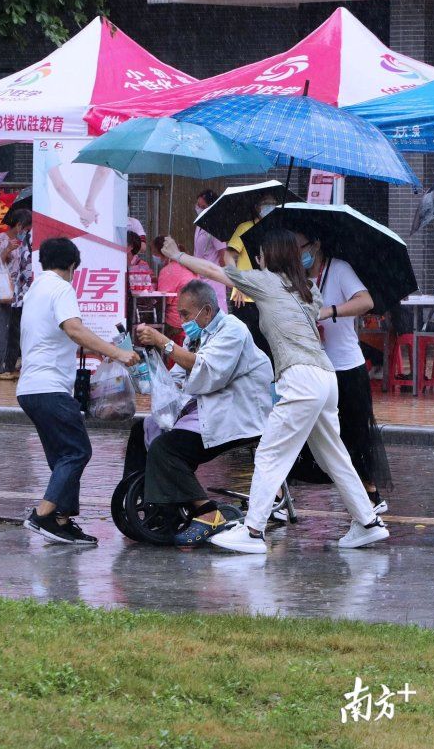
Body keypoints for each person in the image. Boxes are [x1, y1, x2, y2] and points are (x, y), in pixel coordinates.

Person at [160, 229, 389, 554]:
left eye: (262, 253)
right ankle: (368, 523)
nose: (258, 258)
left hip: (300, 379)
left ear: (273, 257)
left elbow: (216, 272)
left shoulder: (268, 282)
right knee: (334, 456)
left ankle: (252, 531)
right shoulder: (308, 289)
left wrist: (177, 254)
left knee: (269, 453)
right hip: (325, 378)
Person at [18, 237, 139, 545]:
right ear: (72, 266)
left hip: (31, 389)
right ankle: (42, 515)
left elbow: (69, 332)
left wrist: (105, 350)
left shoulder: (35, 289)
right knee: (77, 451)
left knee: (63, 456)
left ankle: (62, 520)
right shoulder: (61, 288)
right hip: (49, 388)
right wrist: (118, 352)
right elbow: (74, 329)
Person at [135, 279, 273, 546]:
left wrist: (165, 344)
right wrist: (152, 371)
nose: (182, 319)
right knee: (143, 430)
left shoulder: (233, 330)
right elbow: (179, 375)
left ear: (207, 311)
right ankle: (151, 499)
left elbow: (208, 371)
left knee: (167, 449)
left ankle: (207, 512)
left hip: (235, 414)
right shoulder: (195, 336)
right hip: (204, 410)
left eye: (186, 314)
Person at [294, 231, 393, 513]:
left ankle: (370, 495)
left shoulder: (338, 269)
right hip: (313, 367)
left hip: (346, 366)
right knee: (300, 430)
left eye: (301, 247)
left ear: (316, 243)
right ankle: (279, 493)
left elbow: (365, 301)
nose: (299, 254)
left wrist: (329, 312)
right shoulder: (295, 276)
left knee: (355, 432)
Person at [224, 192, 278, 357]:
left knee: (268, 345)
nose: (269, 207)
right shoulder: (245, 227)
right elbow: (228, 256)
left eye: (273, 204)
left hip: (269, 295)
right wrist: (239, 282)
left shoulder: (277, 231)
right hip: (244, 298)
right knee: (246, 344)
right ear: (257, 208)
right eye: (266, 204)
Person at [0, 208, 32, 380]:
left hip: (18, 294)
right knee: (0, 329)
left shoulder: (24, 242)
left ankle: (9, 366)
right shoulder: (0, 239)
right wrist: (6, 250)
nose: (27, 232)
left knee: (14, 331)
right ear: (19, 225)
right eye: (27, 228)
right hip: (1, 293)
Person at [152, 235, 196, 344]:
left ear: (163, 253)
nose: (153, 256)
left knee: (148, 332)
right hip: (195, 320)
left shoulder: (168, 270)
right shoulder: (190, 266)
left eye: (154, 253)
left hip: (177, 323)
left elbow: (163, 301)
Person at [193, 189, 228, 314]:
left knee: (215, 312)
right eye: (198, 205)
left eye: (203, 207)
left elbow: (223, 254)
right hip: (200, 277)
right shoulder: (199, 225)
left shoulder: (216, 226)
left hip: (213, 279)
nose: (199, 209)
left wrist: (225, 276)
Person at [6, 226, 33, 375]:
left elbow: (25, 268)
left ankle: (12, 366)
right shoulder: (24, 241)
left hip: (25, 295)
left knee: (17, 332)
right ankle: (15, 365)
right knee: (19, 332)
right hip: (21, 294)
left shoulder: (30, 239)